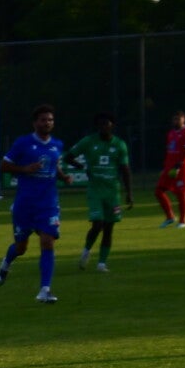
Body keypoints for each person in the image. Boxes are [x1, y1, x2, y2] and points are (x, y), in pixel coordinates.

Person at [0, 104, 71, 304]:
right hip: (25, 204)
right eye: (43, 120)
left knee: (47, 242)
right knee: (21, 247)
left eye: (50, 120)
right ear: (35, 123)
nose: (47, 123)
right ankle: (6, 263)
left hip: (48, 204)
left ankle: (45, 290)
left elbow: (54, 165)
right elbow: (3, 166)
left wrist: (63, 176)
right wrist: (24, 169)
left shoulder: (57, 144)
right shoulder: (23, 143)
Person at [68, 112, 134, 273]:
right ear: (97, 126)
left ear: (112, 125)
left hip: (113, 193)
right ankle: (86, 251)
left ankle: (102, 263)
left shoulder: (119, 144)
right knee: (98, 224)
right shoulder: (88, 141)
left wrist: (129, 193)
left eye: (107, 123)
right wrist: (82, 167)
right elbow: (68, 157)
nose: (103, 126)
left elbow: (125, 169)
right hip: (95, 191)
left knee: (109, 228)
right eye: (101, 124)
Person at [155, 110, 185, 228]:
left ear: (184, 119)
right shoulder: (171, 133)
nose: (176, 121)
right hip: (169, 168)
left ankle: (182, 221)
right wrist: (165, 167)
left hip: (181, 168)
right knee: (158, 191)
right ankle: (170, 217)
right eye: (174, 119)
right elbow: (169, 152)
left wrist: (178, 166)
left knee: (180, 194)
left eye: (178, 119)